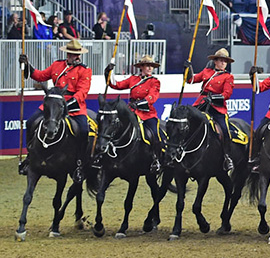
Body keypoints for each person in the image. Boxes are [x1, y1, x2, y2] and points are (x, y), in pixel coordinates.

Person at [18, 39, 94, 179]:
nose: (74, 56)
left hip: (74, 105)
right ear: (67, 54)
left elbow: (82, 92)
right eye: (71, 54)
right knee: (30, 122)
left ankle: (80, 164)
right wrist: (27, 65)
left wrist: (68, 105)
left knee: (83, 131)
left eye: (76, 54)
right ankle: (30, 157)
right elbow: (40, 76)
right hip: (53, 103)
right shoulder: (57, 65)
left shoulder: (85, 70)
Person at [104, 55, 163, 172]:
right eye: (147, 65)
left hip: (147, 114)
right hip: (131, 112)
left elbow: (152, 97)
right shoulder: (133, 79)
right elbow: (116, 85)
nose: (150, 68)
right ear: (141, 67)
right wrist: (108, 73)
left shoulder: (154, 81)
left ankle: (156, 159)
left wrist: (140, 103)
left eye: (151, 66)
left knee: (155, 134)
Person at [187, 48, 238, 171]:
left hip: (217, 107)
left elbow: (227, 94)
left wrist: (213, 98)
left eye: (225, 61)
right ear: (215, 61)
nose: (223, 63)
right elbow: (191, 80)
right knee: (185, 123)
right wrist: (188, 69)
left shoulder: (228, 77)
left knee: (225, 130)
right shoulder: (206, 72)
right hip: (201, 104)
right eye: (221, 60)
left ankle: (227, 156)